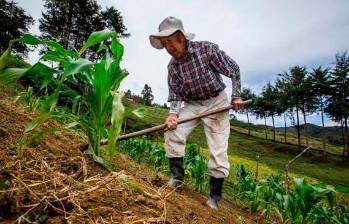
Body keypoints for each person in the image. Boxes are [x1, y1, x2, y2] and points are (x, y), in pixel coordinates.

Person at [149, 16, 244, 210]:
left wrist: (236, 96)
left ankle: (214, 198)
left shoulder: (206, 50)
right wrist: (173, 115)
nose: (168, 47)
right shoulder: (172, 67)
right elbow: (175, 94)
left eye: (170, 42)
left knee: (218, 149)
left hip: (216, 102)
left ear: (181, 38)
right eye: (164, 44)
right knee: (172, 131)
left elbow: (233, 69)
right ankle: (177, 179)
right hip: (192, 104)